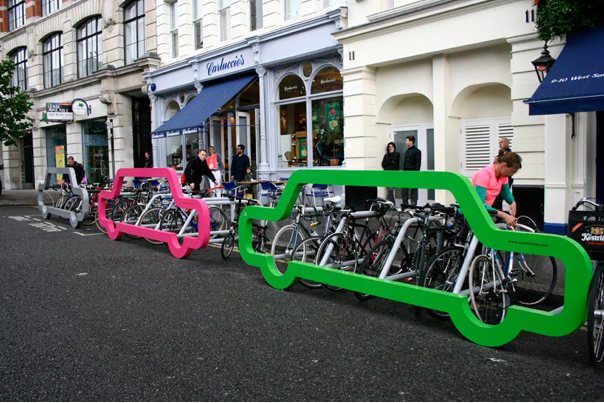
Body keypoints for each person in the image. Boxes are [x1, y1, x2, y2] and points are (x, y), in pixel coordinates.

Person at [471, 152, 522, 227]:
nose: (511, 175)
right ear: (503, 165)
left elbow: (506, 193)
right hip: (472, 211)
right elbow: (480, 204)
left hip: (486, 211)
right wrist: (505, 216)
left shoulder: (503, 176)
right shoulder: (484, 174)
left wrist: (513, 202)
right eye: (511, 171)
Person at [401, 135, 421, 206]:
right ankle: (405, 204)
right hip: (406, 172)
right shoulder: (407, 151)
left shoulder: (417, 151)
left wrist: (415, 173)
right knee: (404, 189)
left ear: (411, 142)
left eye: (407, 141)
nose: (406, 142)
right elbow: (405, 163)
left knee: (413, 190)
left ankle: (413, 205)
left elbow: (418, 163)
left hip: (413, 172)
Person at [492, 137, 512, 210]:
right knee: (496, 198)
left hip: (505, 179)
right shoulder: (500, 153)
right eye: (499, 142)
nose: (500, 144)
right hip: (497, 179)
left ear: (508, 143)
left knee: (500, 197)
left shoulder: (509, 154)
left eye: (502, 142)